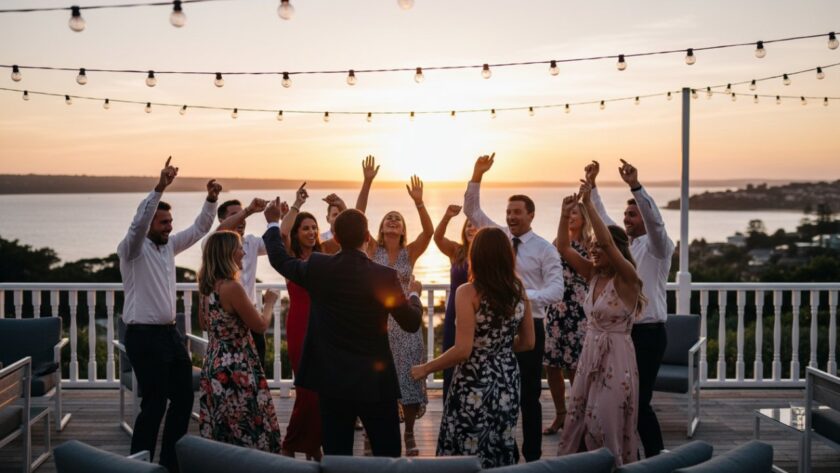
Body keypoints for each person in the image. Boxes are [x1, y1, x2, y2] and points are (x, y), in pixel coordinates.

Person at [262, 203, 424, 457]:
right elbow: (411, 322)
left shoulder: (318, 266)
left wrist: (273, 223)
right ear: (367, 237)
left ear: (335, 237)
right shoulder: (384, 276)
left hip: (332, 382)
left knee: (337, 456)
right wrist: (414, 294)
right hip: (376, 383)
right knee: (388, 455)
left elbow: (280, 260)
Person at [117, 157, 219, 472]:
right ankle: (140, 464)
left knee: (184, 399)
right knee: (155, 404)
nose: (169, 227)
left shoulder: (168, 247)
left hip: (169, 335)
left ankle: (169, 462)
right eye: (163, 222)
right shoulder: (132, 249)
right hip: (143, 337)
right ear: (149, 224)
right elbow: (138, 222)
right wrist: (160, 188)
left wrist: (211, 200)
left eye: (170, 222)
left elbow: (201, 228)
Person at [463, 153, 564, 462]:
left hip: (531, 329)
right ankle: (494, 451)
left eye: (517, 212)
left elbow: (556, 290)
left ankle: (532, 456)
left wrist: (520, 296)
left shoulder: (545, 249)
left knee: (528, 397)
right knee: (494, 392)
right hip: (496, 330)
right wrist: (477, 174)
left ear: (531, 215)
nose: (511, 217)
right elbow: (472, 210)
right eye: (508, 212)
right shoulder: (498, 237)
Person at [411, 227, 534, 468]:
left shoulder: (468, 292)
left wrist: (426, 368)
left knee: (467, 441)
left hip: (474, 379)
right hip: (507, 376)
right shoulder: (519, 290)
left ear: (476, 256)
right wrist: (499, 351)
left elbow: (463, 350)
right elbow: (528, 342)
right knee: (500, 438)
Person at [585, 159, 674, 458]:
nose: (626, 218)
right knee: (620, 401)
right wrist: (593, 186)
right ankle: (627, 454)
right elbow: (604, 224)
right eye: (625, 213)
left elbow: (655, 222)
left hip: (648, 334)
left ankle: (657, 456)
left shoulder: (658, 247)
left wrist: (635, 187)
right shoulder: (626, 249)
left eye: (632, 214)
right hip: (622, 335)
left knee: (640, 402)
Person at [556, 184, 644, 466]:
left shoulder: (627, 278)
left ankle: (614, 466)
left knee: (606, 422)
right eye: (591, 246)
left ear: (615, 250)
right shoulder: (593, 274)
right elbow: (563, 247)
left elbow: (606, 241)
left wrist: (588, 203)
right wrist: (563, 213)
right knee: (578, 417)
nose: (594, 250)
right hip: (590, 354)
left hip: (616, 357)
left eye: (598, 247)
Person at [196, 231, 283, 453]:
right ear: (227, 253)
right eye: (239, 248)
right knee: (246, 426)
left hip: (214, 363)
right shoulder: (232, 288)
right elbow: (260, 325)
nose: (243, 252)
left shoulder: (206, 288)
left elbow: (204, 324)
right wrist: (270, 303)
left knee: (223, 427)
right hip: (237, 366)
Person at [366, 174, 433, 456]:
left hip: (405, 325)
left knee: (408, 379)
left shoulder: (409, 253)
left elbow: (429, 233)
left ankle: (408, 434)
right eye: (388, 218)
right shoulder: (371, 248)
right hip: (377, 325)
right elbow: (357, 217)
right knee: (376, 381)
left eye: (397, 219)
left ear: (403, 228)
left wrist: (419, 203)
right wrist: (367, 183)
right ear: (381, 227)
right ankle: (371, 435)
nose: (392, 221)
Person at [277, 183, 323, 460]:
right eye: (305, 228)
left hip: (323, 325)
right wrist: (297, 205)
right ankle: (291, 443)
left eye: (314, 228)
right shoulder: (291, 257)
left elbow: (352, 231)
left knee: (321, 390)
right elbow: (282, 232)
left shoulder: (325, 254)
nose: (311, 232)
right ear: (298, 233)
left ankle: (312, 444)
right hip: (299, 326)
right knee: (306, 389)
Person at [543, 201, 592, 435]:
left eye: (575, 213)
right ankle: (560, 414)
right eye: (569, 213)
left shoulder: (590, 244)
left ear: (584, 218)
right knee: (551, 365)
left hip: (578, 311)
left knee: (575, 367)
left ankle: (577, 417)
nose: (571, 216)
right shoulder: (556, 243)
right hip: (556, 308)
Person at [211, 197, 271, 369]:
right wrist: (269, 303)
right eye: (235, 215)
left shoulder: (251, 242)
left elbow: (278, 239)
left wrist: (292, 208)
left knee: (257, 371)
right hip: (228, 324)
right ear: (222, 220)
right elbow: (220, 232)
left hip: (249, 316)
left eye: (243, 216)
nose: (242, 220)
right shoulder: (213, 244)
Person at [432, 204, 477, 401]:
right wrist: (447, 216)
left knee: (474, 359)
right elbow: (438, 238)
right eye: (468, 225)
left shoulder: (487, 255)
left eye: (475, 226)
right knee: (451, 357)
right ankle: (450, 406)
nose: (470, 228)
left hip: (478, 312)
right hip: (454, 312)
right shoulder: (457, 251)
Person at [321, 155, 379, 254]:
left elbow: (357, 219)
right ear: (327, 219)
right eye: (335, 215)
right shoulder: (321, 242)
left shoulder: (354, 237)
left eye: (341, 214)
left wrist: (367, 182)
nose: (339, 217)